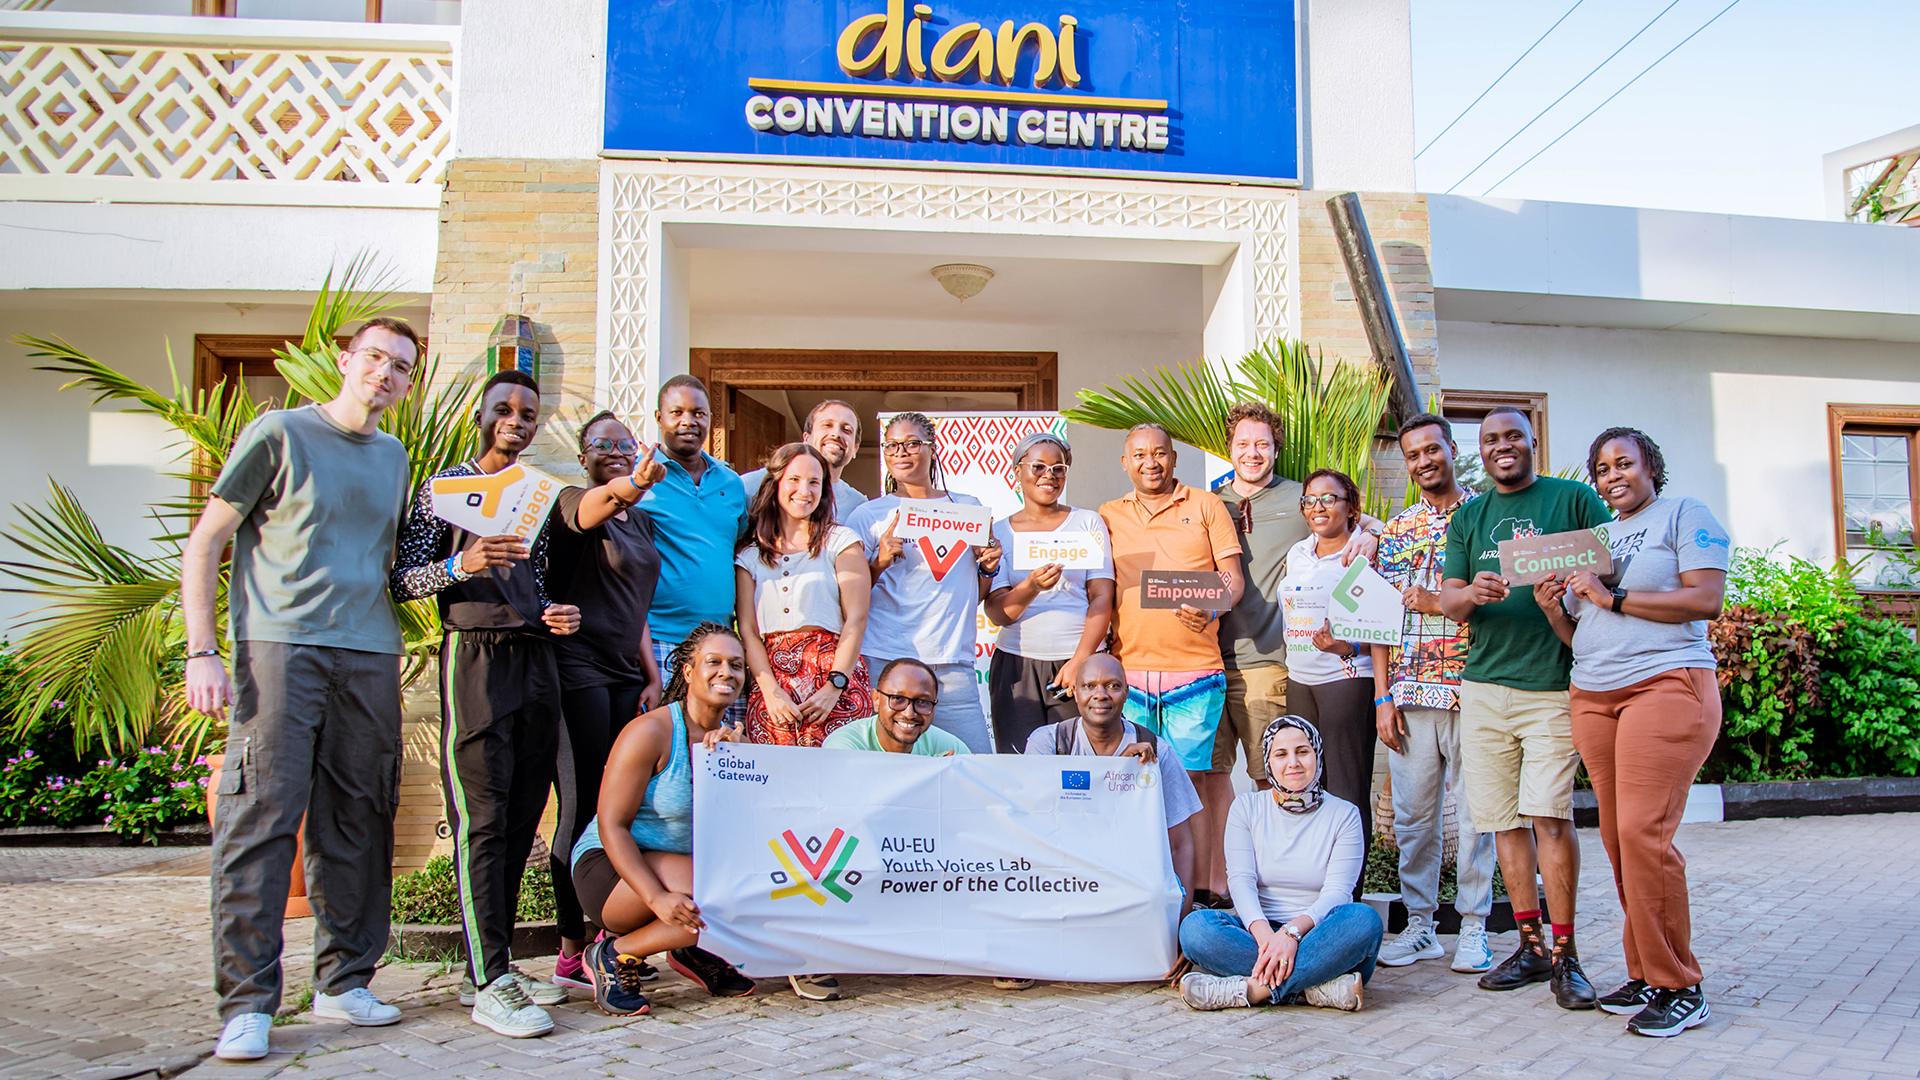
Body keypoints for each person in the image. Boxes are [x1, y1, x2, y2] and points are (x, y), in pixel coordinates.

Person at [186, 318, 420, 1062]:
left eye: (401, 367)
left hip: (370, 651)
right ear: (347, 361)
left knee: (358, 818)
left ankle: (344, 981)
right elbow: (207, 542)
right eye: (375, 358)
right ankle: (249, 1002)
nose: (385, 373)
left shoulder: (393, 457)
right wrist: (203, 651)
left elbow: (388, 564)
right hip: (280, 647)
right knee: (261, 818)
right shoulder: (279, 433)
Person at [390, 369, 583, 1038]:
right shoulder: (443, 490)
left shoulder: (535, 496)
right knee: (485, 819)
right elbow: (402, 579)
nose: (517, 419)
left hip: (536, 659)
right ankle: (487, 981)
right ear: (482, 414)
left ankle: (502, 965)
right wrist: (459, 567)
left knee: (526, 814)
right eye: (504, 408)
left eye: (528, 411)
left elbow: (539, 582)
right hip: (475, 660)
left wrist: (558, 613)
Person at [1547, 427, 1727, 1037]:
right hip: (1595, 692)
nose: (1612, 475)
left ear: (1652, 467)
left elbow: (1706, 600)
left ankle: (1681, 985)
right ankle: (1648, 972)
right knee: (1622, 843)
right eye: (1601, 468)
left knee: (1643, 836)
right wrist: (1556, 605)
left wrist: (1612, 595)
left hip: (1666, 684)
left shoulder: (1684, 513)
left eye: (1625, 463)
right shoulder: (1596, 539)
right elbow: (1581, 630)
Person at [1439, 406, 1611, 1011]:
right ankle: (1532, 946)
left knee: (1549, 817)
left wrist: (1564, 592)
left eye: (1513, 435)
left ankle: (1567, 955)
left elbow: (1609, 572)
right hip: (1485, 687)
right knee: (1503, 821)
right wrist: (1470, 593)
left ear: (1533, 439)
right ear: (1480, 451)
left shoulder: (1574, 501)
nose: (1502, 446)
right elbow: (1449, 600)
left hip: (1553, 686)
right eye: (1490, 440)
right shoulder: (1470, 515)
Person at [571, 623, 760, 1017]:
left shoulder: (734, 741)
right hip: (612, 866)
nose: (727, 672)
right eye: (714, 662)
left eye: (737, 665)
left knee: (743, 889)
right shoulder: (651, 732)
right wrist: (656, 898)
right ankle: (611, 953)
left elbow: (745, 830)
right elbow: (611, 824)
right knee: (715, 897)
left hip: (678, 867)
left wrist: (740, 767)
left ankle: (688, 946)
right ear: (689, 672)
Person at [1099, 423, 1244, 911]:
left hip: (1195, 673)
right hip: (1129, 673)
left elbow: (1232, 579)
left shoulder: (1206, 506)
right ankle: (1138, 890)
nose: (1150, 463)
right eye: (1139, 455)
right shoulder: (1107, 515)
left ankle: (1197, 894)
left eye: (1159, 453)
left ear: (1174, 458)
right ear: (1125, 463)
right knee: (1129, 784)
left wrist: (1214, 606)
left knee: (1191, 783)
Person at [545, 411, 667, 991]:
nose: (616, 451)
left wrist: (650, 673)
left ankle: (606, 936)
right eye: (603, 444)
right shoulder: (574, 503)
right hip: (577, 674)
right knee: (582, 809)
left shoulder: (639, 524)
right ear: (582, 454)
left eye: (625, 444)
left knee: (623, 807)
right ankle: (571, 948)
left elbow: (638, 605)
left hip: (625, 675)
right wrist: (633, 482)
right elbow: (599, 505)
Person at [1373, 413, 1498, 974]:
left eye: (1433, 449)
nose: (1424, 461)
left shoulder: (1485, 516)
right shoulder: (1396, 532)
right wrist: (1382, 696)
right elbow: (1376, 618)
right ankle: (1421, 925)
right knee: (1414, 817)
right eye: (1414, 454)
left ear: (1451, 448)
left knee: (1476, 816)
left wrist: (1443, 600)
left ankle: (1474, 927)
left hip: (1477, 686)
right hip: (1411, 690)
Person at [1175, 716, 1383, 1013]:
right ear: (1268, 762)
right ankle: (1314, 987)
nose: (1293, 763)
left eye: (1303, 751)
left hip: (1321, 935)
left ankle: (1250, 990)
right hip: (1259, 933)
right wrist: (1267, 937)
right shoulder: (1247, 807)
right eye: (1281, 754)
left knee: (1364, 922)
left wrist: (1292, 934)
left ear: (1317, 754)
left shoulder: (1344, 814)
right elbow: (1241, 880)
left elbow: (1338, 892)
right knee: (1196, 929)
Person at [847, 412, 1000, 753]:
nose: (901, 452)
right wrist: (881, 560)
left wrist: (988, 568)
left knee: (973, 766)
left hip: (951, 664)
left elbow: (971, 592)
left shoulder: (967, 508)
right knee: (889, 772)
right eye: (892, 445)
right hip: (885, 661)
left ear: (933, 448)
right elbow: (849, 597)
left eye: (912, 443)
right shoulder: (869, 515)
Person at [1277, 468, 1392, 838]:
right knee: (1307, 785)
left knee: (1346, 789)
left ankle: (1349, 890)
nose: (1318, 507)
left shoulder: (1364, 552)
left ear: (1351, 508)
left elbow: (1383, 627)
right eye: (1310, 499)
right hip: (1300, 681)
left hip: (1345, 681)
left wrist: (1346, 647)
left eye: (1329, 498)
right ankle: (1319, 881)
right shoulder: (1298, 553)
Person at [735, 442, 873, 748]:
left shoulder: (842, 542)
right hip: (773, 683)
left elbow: (856, 619)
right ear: (776, 483)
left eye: (814, 482)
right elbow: (748, 630)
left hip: (833, 676)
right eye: (794, 480)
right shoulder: (749, 556)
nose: (805, 490)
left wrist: (835, 685)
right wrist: (770, 691)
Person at [984, 432, 1114, 753]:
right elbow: (999, 612)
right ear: (1017, 472)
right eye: (1038, 467)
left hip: (1075, 662)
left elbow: (1101, 597)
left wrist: (1081, 660)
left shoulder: (1087, 523)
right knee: (1021, 766)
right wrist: (1031, 586)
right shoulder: (999, 532)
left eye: (1058, 469)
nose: (1049, 476)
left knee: (1078, 767)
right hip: (1017, 664)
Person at [640, 374, 750, 725]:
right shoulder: (642, 480)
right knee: (665, 745)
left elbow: (739, 546)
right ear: (660, 419)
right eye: (677, 413)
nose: (689, 421)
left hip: (719, 644)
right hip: (659, 639)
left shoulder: (731, 483)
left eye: (699, 413)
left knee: (719, 752)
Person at [740, 399, 868, 521]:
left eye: (847, 430)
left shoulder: (858, 506)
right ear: (806, 438)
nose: (836, 434)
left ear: (855, 448)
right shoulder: (750, 486)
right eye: (827, 425)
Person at [822, 657, 972, 756]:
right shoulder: (844, 746)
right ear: (876, 699)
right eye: (897, 699)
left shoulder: (951, 748)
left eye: (922, 702)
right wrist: (932, 773)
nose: (909, 713)